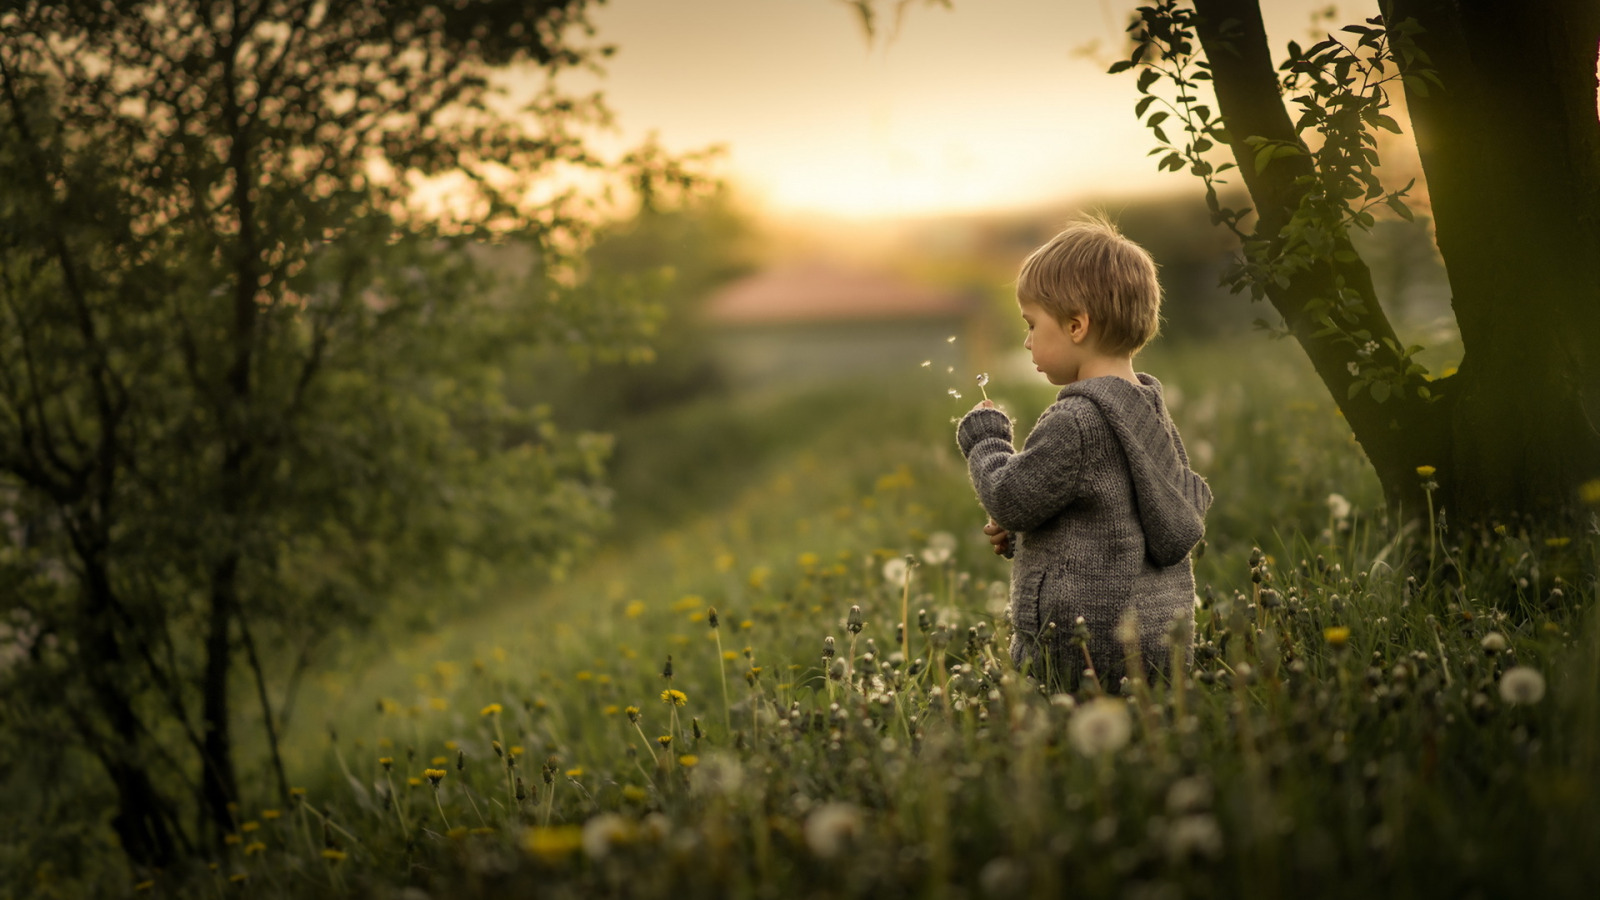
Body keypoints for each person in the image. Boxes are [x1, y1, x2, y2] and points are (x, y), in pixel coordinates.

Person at [955, 216, 1211, 693]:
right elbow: (1122, 515)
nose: (1028, 341)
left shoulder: (1076, 421)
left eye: (1032, 325)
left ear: (1076, 325)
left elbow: (1010, 497)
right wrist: (1028, 532)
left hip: (1080, 646)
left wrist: (987, 441)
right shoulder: (1147, 407)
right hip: (1155, 638)